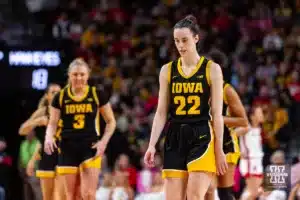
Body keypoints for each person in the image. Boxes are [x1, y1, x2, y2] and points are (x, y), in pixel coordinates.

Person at [144, 14, 228, 200]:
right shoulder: (167, 70)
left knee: (194, 197)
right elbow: (161, 112)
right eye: (176, 41)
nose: (180, 45)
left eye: (184, 40)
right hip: (174, 137)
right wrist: (151, 145)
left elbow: (217, 113)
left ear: (196, 38)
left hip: (202, 136)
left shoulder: (211, 69)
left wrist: (219, 149)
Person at [44, 58, 116, 200]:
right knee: (71, 196)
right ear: (69, 75)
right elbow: (52, 123)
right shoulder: (60, 97)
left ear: (88, 75)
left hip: (90, 146)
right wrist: (48, 137)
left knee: (88, 194)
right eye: (75, 74)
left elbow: (111, 122)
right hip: (67, 147)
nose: (78, 78)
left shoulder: (96, 94)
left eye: (82, 74)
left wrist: (103, 142)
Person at [206, 50, 249, 200]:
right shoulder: (200, 91)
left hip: (227, 145)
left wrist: (217, 119)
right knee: (207, 190)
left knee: (225, 194)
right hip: (206, 145)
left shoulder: (227, 90)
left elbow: (243, 121)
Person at [19, 83, 62, 200]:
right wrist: (37, 122)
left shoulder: (67, 111)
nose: (57, 95)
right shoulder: (43, 112)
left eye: (59, 92)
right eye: (53, 92)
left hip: (64, 157)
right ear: (47, 96)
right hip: (47, 158)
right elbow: (22, 130)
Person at [239, 106, 265, 200]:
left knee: (258, 192)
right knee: (255, 193)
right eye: (259, 113)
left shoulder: (259, 128)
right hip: (250, 162)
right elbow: (230, 135)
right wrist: (238, 152)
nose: (262, 115)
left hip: (257, 162)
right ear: (252, 116)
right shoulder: (246, 128)